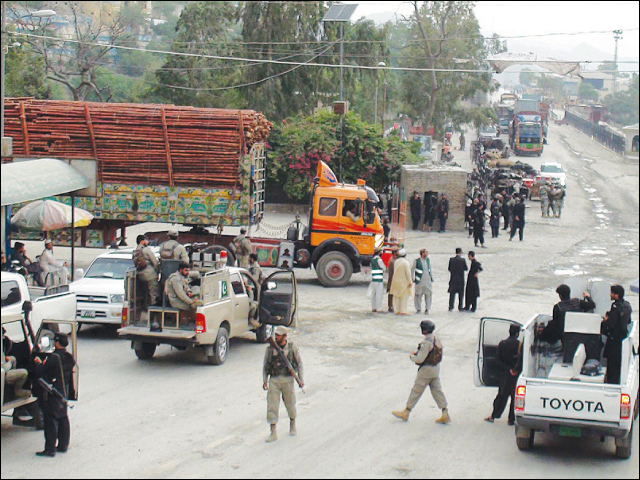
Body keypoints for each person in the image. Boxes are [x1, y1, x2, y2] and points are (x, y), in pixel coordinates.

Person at [392, 320, 450, 425]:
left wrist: (412, 356)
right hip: (435, 369)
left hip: (426, 370)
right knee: (437, 391)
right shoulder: (436, 339)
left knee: (416, 391)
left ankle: (406, 411)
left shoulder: (426, 343)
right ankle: (445, 412)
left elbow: (420, 359)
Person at [34, 333, 76, 457]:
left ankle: (50, 449)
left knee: (50, 420)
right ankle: (63, 445)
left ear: (57, 343)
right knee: (63, 417)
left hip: (52, 393)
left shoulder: (54, 358)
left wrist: (38, 363)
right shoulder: (69, 357)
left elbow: (40, 371)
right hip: (64, 392)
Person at [263, 326, 304, 443]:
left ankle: (292, 424)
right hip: (274, 380)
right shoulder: (270, 349)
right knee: (272, 406)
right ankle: (273, 431)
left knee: (290, 404)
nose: (276, 337)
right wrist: (265, 380)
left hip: (288, 380)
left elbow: (299, 364)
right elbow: (266, 365)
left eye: (279, 335)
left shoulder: (291, 348)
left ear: (285, 336)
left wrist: (301, 379)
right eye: (276, 335)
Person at [485, 324, 522, 426]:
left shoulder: (502, 344)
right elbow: (522, 360)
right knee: (515, 397)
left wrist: (508, 369)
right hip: (516, 375)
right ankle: (511, 419)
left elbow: (497, 359)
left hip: (505, 375)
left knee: (501, 396)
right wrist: (515, 370)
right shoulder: (520, 345)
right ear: (517, 333)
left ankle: (493, 416)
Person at [601, 285, 633, 385]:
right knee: (619, 364)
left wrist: (605, 321)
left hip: (614, 340)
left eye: (612, 293)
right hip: (622, 339)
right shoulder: (627, 305)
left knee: (612, 365)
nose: (610, 294)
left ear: (616, 295)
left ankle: (611, 383)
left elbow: (611, 325)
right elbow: (628, 321)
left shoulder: (615, 307)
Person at [133, 235, 160, 307]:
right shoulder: (147, 250)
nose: (147, 242)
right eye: (146, 240)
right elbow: (155, 262)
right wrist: (157, 272)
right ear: (142, 241)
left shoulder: (135, 250)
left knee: (145, 293)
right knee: (154, 293)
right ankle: (153, 309)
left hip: (140, 275)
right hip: (150, 275)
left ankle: (144, 306)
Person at [390, 249, 412, 316]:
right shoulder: (406, 263)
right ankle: (403, 310)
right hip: (403, 281)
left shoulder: (396, 261)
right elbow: (408, 273)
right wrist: (410, 281)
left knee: (396, 296)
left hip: (396, 280)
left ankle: (397, 310)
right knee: (403, 297)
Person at [412, 249, 434, 314]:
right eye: (425, 253)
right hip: (419, 280)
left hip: (427, 280)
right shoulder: (417, 261)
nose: (426, 254)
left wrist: (431, 277)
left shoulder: (428, 260)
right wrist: (412, 278)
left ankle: (427, 308)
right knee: (418, 295)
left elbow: (430, 269)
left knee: (428, 294)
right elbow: (412, 269)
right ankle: (418, 308)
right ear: (422, 253)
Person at [448, 248, 468, 312]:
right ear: (461, 252)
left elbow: (449, 268)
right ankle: (460, 306)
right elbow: (466, 268)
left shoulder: (451, 260)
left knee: (452, 294)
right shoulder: (462, 260)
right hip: (460, 279)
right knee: (461, 294)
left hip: (453, 279)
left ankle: (451, 306)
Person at [370, 249, 386, 313]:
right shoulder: (379, 260)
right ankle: (379, 308)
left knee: (373, 294)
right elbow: (384, 268)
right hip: (379, 280)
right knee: (379, 294)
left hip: (373, 279)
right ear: (379, 253)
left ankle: (373, 307)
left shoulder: (372, 260)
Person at [386, 248, 399, 313]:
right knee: (391, 293)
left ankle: (392, 306)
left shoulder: (395, 260)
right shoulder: (392, 261)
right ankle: (390, 306)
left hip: (393, 278)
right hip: (392, 279)